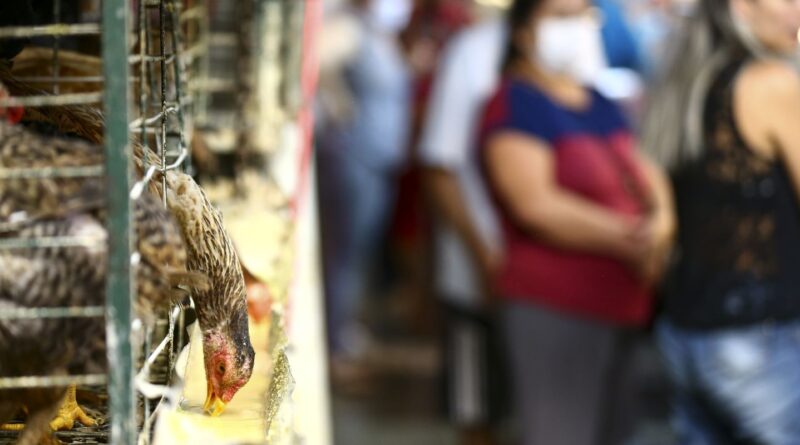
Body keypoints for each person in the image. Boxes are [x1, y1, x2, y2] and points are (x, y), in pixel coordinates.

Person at [477, 0, 675, 443]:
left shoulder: (596, 99)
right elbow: (535, 206)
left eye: (583, 15)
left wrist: (663, 216)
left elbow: (643, 166)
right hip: (556, 307)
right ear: (525, 33)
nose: (580, 28)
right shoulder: (515, 104)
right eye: (562, 18)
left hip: (621, 304)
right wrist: (630, 239)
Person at [643, 0, 800, 442]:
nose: (796, 12)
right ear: (739, 6)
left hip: (686, 333)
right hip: (758, 342)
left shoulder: (683, 84)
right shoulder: (770, 83)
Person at [417, 11, 506, 445]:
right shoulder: (473, 52)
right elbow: (439, 166)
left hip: (548, 291)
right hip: (477, 276)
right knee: (478, 412)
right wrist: (483, 256)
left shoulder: (583, 44)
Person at [315, 0, 412, 382]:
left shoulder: (378, 33)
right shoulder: (346, 29)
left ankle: (345, 329)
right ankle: (335, 344)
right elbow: (318, 67)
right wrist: (339, 109)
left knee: (359, 252)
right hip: (355, 155)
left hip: (379, 158)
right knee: (345, 253)